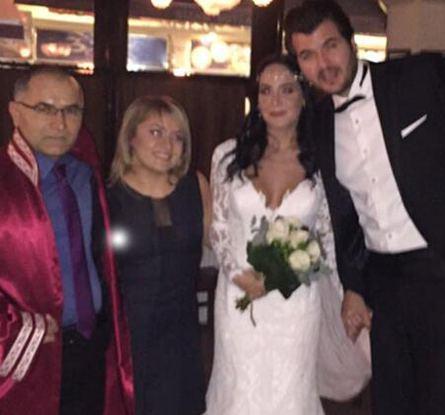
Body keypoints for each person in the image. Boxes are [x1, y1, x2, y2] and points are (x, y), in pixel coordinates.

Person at [285, 2, 445, 414]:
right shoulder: (317, 122)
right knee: (391, 400)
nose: (324, 64)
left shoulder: (418, 77)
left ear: (351, 42)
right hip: (385, 279)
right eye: (308, 55)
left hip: (443, 268)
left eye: (330, 45)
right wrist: (354, 285)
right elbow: (345, 213)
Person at [205, 55, 369, 415]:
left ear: (303, 96)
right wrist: (238, 275)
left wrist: (349, 294)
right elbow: (218, 228)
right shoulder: (227, 156)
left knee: (290, 392)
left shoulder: (322, 162)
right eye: (266, 91)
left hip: (296, 300)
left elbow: (328, 238)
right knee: (239, 390)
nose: (275, 100)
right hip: (238, 295)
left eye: (286, 90)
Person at [0, 67, 134, 414]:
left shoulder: (86, 174)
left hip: (92, 348)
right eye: (44, 109)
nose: (60, 123)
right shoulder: (5, 183)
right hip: (32, 359)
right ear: (15, 112)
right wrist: (17, 328)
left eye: (71, 110)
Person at [107, 96, 210, 415]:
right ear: (130, 137)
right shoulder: (107, 196)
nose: (167, 144)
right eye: (155, 132)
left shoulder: (196, 186)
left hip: (183, 335)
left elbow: (223, 247)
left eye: (177, 137)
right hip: (129, 337)